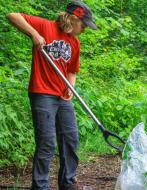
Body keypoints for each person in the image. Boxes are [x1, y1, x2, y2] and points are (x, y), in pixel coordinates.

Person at [6, 1, 97, 189]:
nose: (85, 29)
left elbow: (72, 70)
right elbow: (12, 15)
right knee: (47, 143)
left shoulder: (74, 42)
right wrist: (34, 34)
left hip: (62, 96)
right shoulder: (46, 26)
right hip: (42, 94)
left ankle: (67, 182)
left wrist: (70, 88)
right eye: (84, 25)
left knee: (70, 139)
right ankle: (40, 186)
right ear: (74, 18)